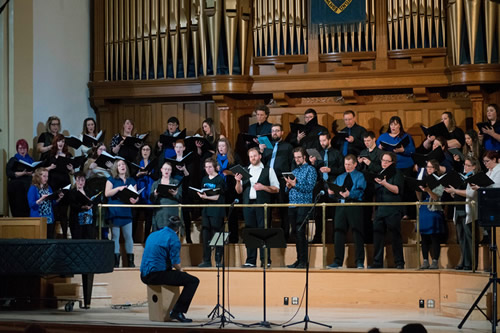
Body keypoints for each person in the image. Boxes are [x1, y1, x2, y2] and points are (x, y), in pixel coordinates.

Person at [140, 216, 200, 323]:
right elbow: (175, 263)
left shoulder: (153, 234)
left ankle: (175, 311)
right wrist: (181, 271)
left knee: (177, 276)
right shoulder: (173, 238)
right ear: (178, 228)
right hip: (156, 275)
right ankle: (177, 311)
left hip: (144, 275)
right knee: (193, 281)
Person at [235, 147, 280, 267]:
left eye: (254, 156)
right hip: (248, 205)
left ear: (260, 156)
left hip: (263, 206)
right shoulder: (245, 170)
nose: (252, 158)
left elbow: (276, 188)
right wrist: (238, 181)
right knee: (250, 231)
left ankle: (265, 260)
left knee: (263, 231)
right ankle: (250, 260)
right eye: (250, 156)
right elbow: (239, 191)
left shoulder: (268, 170)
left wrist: (264, 187)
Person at [327, 154, 367, 269]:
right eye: (345, 164)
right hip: (341, 206)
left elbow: (360, 191)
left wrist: (350, 194)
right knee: (338, 233)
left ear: (355, 164)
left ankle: (359, 261)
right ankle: (337, 261)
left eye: (349, 164)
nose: (347, 167)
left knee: (357, 233)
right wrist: (331, 193)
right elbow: (336, 192)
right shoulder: (340, 177)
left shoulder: (360, 176)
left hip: (354, 206)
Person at [444, 156, 481, 270]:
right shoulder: (462, 176)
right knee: (461, 238)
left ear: (474, 167)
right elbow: (459, 191)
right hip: (459, 209)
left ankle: (471, 263)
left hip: (468, 211)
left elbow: (470, 194)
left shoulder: (475, 177)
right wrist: (453, 193)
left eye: (468, 165)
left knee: (469, 237)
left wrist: (455, 191)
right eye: (464, 164)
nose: (465, 167)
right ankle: (464, 261)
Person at [377, 116, 416, 218]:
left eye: (395, 124)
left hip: (405, 166)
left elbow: (412, 151)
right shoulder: (383, 137)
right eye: (391, 124)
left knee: (406, 189)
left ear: (400, 125)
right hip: (390, 166)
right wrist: (380, 148)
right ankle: (397, 211)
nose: (393, 126)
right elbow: (377, 151)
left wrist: (403, 151)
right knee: (393, 189)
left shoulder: (406, 136)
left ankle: (407, 213)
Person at [371, 152, 405, 269]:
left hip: (392, 209)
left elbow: (397, 190)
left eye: (387, 161)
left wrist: (384, 183)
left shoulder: (397, 173)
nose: (384, 163)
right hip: (380, 209)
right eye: (383, 161)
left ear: (392, 163)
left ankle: (399, 262)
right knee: (378, 237)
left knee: (395, 236)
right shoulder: (379, 174)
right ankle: (377, 263)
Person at [308, 132, 343, 243]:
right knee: (318, 213)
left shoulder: (337, 153)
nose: (322, 143)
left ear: (329, 140)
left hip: (333, 184)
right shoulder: (319, 154)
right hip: (321, 185)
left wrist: (330, 170)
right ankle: (317, 237)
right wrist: (313, 163)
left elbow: (343, 169)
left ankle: (334, 238)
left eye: (324, 140)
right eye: (320, 141)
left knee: (333, 213)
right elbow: (315, 171)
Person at [260, 124, 293, 240]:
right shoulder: (266, 147)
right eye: (273, 131)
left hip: (281, 180)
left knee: (283, 208)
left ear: (282, 133)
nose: (274, 133)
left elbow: (291, 163)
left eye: (277, 131)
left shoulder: (288, 146)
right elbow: (262, 164)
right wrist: (261, 151)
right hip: (268, 180)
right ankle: (267, 235)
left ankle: (285, 236)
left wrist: (290, 180)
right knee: (267, 208)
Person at [285, 147, 317, 269]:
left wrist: (295, 185)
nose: (297, 159)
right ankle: (299, 260)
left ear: (304, 157)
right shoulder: (294, 171)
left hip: (304, 204)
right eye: (295, 157)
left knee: (300, 232)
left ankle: (303, 261)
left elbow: (309, 188)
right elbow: (287, 190)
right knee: (295, 232)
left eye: (299, 157)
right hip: (292, 204)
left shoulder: (311, 170)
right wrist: (288, 186)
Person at [105, 160, 139, 268]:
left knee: (128, 236)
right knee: (115, 236)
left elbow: (136, 195)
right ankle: (116, 262)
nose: (122, 166)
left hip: (126, 211)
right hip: (115, 211)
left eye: (123, 164)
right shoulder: (111, 180)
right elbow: (107, 193)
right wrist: (118, 188)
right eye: (119, 165)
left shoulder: (131, 180)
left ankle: (130, 261)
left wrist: (135, 200)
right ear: (116, 168)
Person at [197, 158, 226, 267]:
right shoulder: (204, 179)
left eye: (210, 167)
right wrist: (202, 196)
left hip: (217, 211)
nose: (208, 169)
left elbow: (219, 196)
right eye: (206, 167)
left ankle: (218, 260)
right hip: (206, 211)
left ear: (214, 167)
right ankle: (207, 260)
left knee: (217, 235)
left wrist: (207, 197)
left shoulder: (219, 179)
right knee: (205, 236)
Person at [416, 160, 445, 269]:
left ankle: (435, 260)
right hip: (424, 208)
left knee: (434, 237)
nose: (429, 169)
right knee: (423, 237)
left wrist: (427, 189)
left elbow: (436, 197)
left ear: (436, 169)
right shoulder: (424, 179)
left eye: (431, 167)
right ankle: (425, 260)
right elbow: (419, 198)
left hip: (434, 209)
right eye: (427, 167)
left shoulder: (440, 181)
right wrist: (417, 190)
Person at [46, 134, 75, 239]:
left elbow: (72, 173)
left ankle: (65, 237)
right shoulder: (50, 155)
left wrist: (71, 169)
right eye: (59, 141)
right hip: (53, 185)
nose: (61, 143)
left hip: (65, 185)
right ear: (55, 142)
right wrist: (50, 167)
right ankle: (51, 237)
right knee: (54, 211)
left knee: (63, 212)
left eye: (62, 141)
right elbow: (43, 170)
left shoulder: (68, 155)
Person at [213, 138, 242, 243]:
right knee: (219, 218)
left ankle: (233, 240)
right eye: (219, 146)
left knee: (232, 217)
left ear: (227, 147)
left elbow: (241, 173)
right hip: (218, 191)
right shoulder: (214, 159)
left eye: (223, 146)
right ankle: (219, 242)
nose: (221, 148)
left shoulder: (234, 158)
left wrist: (229, 173)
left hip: (231, 190)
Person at [27, 168, 64, 239]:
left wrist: (59, 198)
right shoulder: (33, 188)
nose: (46, 178)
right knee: (40, 239)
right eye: (44, 176)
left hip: (49, 218)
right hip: (39, 219)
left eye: (47, 176)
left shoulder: (48, 188)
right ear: (38, 176)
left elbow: (52, 203)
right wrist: (41, 199)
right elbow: (31, 205)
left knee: (49, 238)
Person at [150, 161, 182, 231]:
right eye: (165, 169)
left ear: (171, 171)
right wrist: (155, 194)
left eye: (169, 169)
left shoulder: (176, 182)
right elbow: (151, 199)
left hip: (172, 212)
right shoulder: (156, 184)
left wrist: (175, 194)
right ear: (161, 170)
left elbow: (180, 197)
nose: (166, 171)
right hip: (160, 213)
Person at [6, 139, 34, 217]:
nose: (22, 150)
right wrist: (23, 173)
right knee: (18, 210)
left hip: (29, 187)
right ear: (17, 149)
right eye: (20, 148)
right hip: (17, 189)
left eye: (24, 148)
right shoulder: (13, 160)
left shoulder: (31, 160)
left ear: (27, 149)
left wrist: (33, 174)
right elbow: (9, 173)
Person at [133, 143, 155, 242]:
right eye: (144, 149)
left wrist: (148, 173)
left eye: (148, 150)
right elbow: (132, 177)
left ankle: (146, 239)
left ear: (150, 152)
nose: (145, 151)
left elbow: (157, 177)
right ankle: (133, 238)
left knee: (148, 218)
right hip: (139, 192)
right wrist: (138, 174)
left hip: (149, 191)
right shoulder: (137, 163)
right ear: (141, 151)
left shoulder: (153, 163)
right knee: (135, 216)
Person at [68, 171, 95, 239]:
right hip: (76, 221)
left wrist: (91, 205)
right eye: (78, 180)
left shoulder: (89, 191)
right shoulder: (72, 192)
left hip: (89, 221)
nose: (80, 182)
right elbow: (72, 205)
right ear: (75, 181)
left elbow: (94, 201)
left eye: (82, 180)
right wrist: (83, 207)